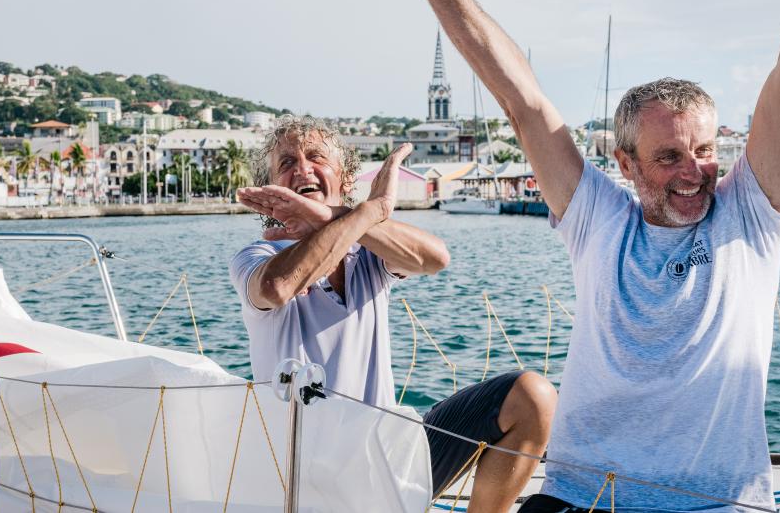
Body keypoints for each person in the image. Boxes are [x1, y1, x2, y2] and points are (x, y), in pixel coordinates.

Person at [400, 0, 780, 510]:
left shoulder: (748, 217)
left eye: (705, 151)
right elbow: (522, 102)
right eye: (668, 158)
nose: (694, 172)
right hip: (580, 498)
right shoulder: (598, 218)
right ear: (624, 163)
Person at [229, 115, 556, 513]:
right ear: (273, 188)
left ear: (346, 181)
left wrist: (337, 217)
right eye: (286, 163)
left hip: (385, 463)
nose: (302, 168)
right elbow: (277, 288)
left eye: (316, 157)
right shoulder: (258, 255)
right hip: (305, 483)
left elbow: (435, 258)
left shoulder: (368, 257)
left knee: (532, 398)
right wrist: (369, 211)